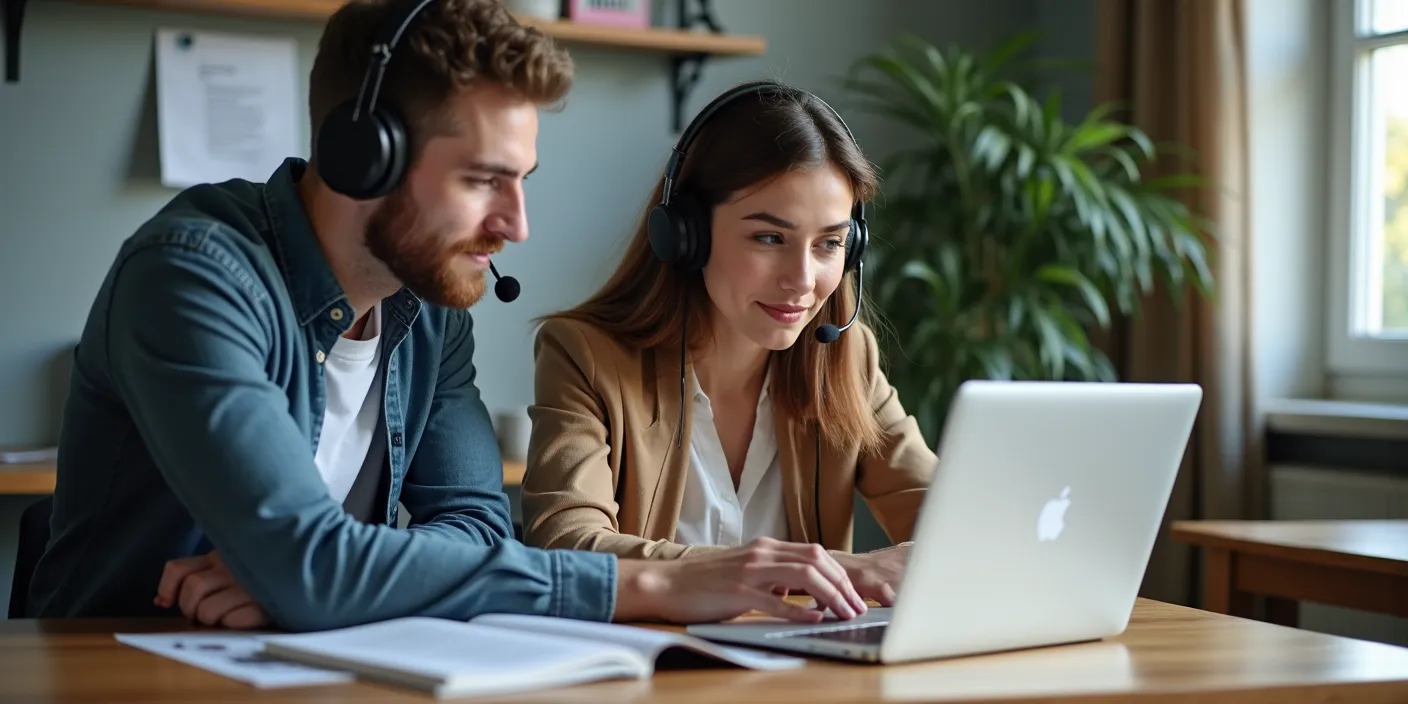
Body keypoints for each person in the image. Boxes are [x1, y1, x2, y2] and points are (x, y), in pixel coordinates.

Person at [26, 0, 872, 631]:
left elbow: (473, 525)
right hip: (126, 672)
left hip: (304, 667)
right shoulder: (193, 278)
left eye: (521, 180)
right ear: (365, 158)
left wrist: (307, 573)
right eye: (481, 181)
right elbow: (311, 566)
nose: (515, 224)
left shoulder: (427, 314)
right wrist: (648, 584)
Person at [520, 81, 939, 606]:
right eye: (770, 238)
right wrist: (828, 570)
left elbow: (946, 514)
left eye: (829, 243)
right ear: (685, 234)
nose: (803, 279)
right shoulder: (584, 355)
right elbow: (568, 547)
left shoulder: (846, 358)